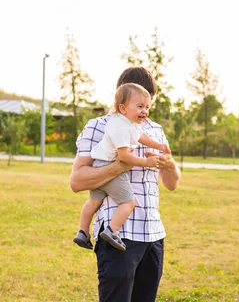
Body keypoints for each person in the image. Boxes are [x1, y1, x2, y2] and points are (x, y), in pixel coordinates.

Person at [70, 66, 181, 302]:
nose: (144, 110)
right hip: (119, 235)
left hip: (153, 235)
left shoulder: (156, 130)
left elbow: (171, 184)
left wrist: (169, 164)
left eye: (148, 103)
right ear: (122, 98)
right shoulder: (98, 126)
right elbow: (77, 181)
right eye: (139, 103)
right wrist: (124, 164)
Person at [73, 83, 171, 252]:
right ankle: (112, 230)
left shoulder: (127, 123)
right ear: (123, 108)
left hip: (99, 165)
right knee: (128, 202)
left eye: (147, 107)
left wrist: (159, 145)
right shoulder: (120, 128)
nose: (145, 111)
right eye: (140, 106)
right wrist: (145, 162)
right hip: (109, 167)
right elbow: (124, 157)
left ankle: (82, 231)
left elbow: (141, 137)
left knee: (94, 201)